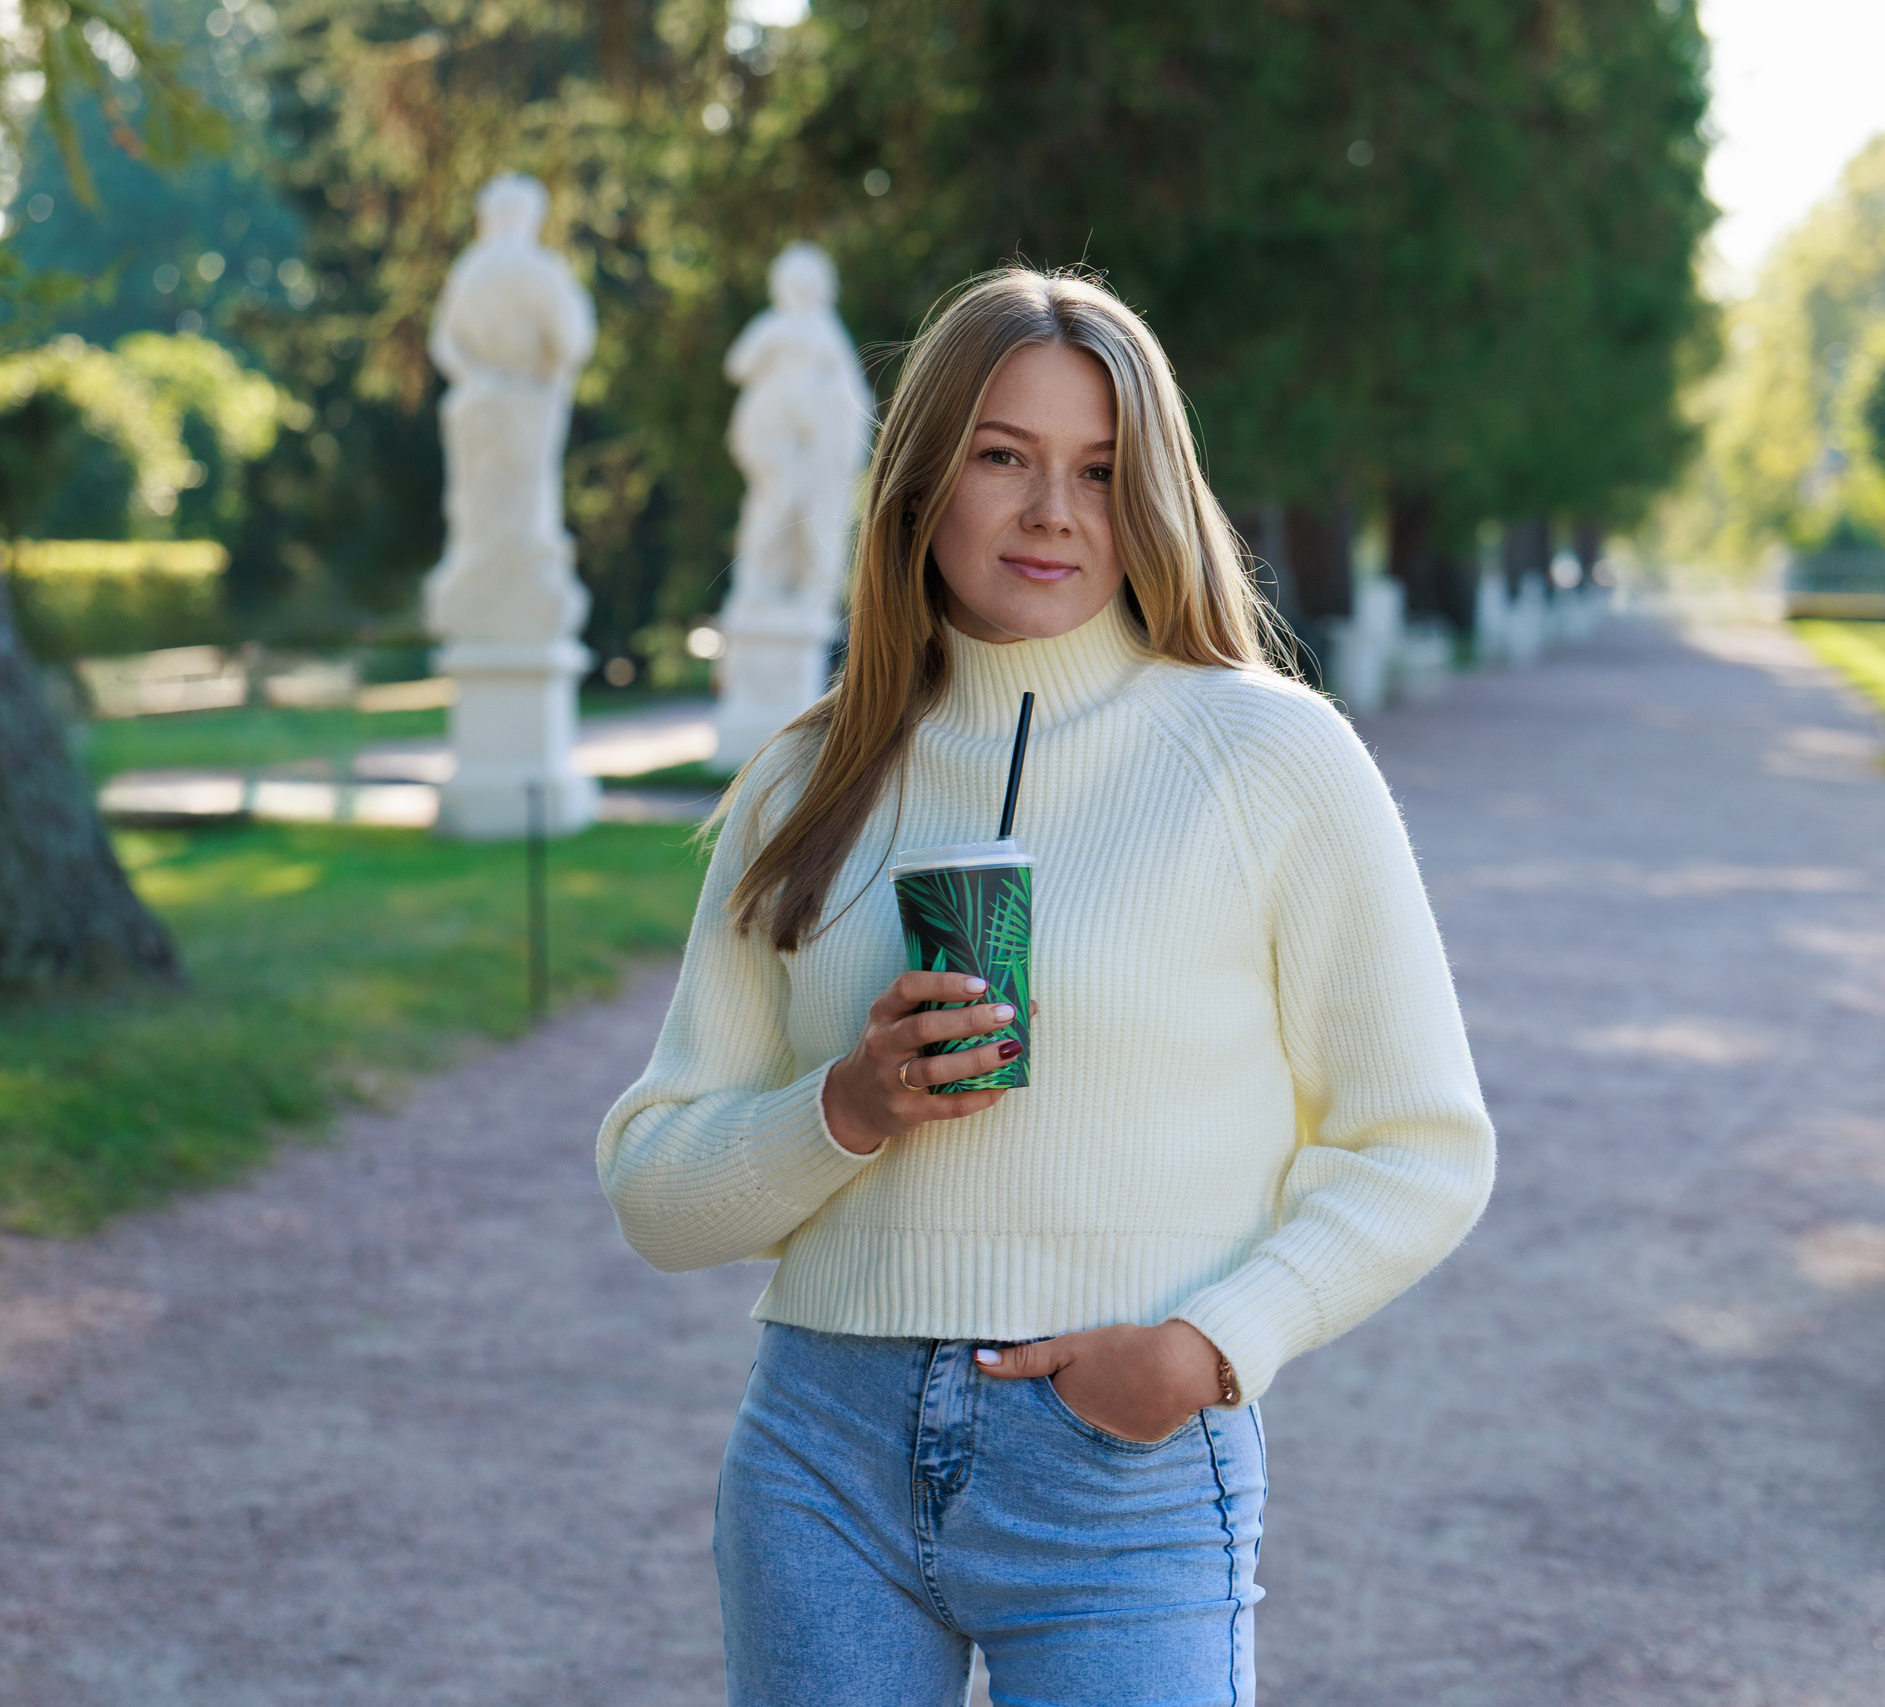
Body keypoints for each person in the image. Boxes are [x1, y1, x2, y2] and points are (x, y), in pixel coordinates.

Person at [597, 267, 1495, 1706]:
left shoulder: (1269, 755)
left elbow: (1423, 1146)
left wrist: (1211, 1350)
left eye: (1100, 470)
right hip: (822, 1457)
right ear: (920, 481)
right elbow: (653, 1191)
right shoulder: (805, 780)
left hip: (1124, 1462)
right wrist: (846, 1106)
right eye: (1003, 457)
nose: (1054, 513)